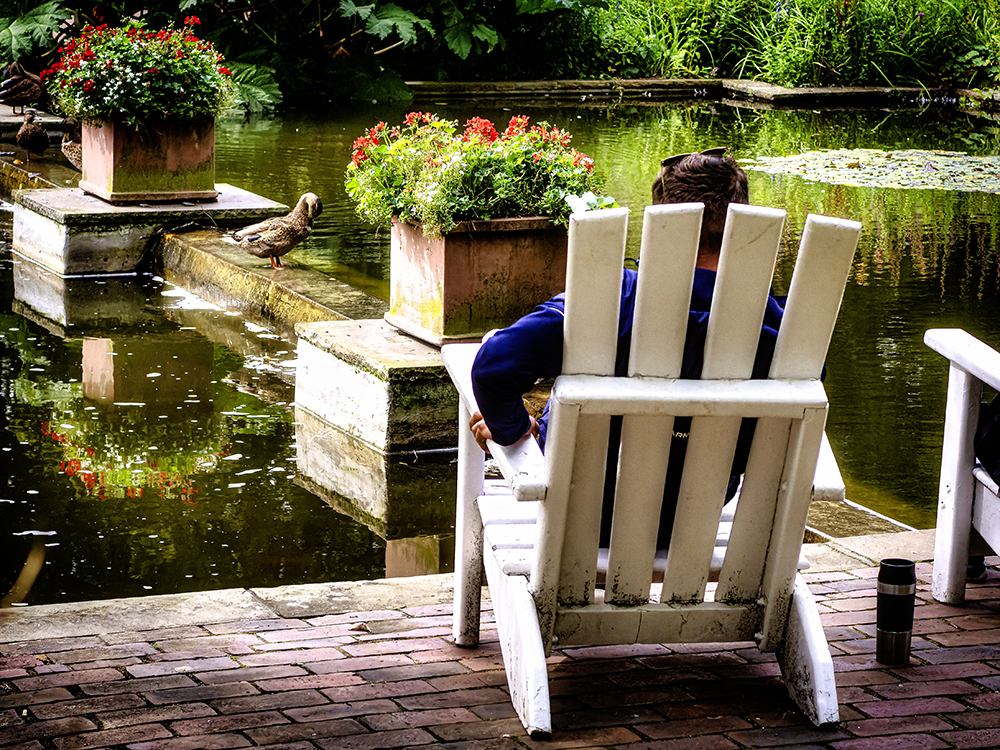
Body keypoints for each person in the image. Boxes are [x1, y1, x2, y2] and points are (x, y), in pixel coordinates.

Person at [468, 148, 785, 548]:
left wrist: (512, 430)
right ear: (742, 229)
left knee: (493, 342)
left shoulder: (613, 298)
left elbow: (492, 368)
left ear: (662, 224)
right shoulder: (774, 323)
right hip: (691, 517)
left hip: (583, 512)